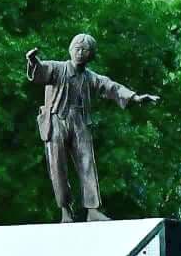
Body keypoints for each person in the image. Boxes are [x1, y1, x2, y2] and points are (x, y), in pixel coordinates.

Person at [27, 34, 159, 223]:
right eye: (76, 49)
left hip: (80, 122)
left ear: (91, 55)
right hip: (56, 120)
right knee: (57, 167)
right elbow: (41, 71)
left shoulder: (90, 77)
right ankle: (65, 210)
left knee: (88, 163)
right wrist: (32, 61)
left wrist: (135, 98)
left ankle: (93, 210)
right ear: (71, 50)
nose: (80, 53)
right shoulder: (57, 68)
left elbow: (111, 86)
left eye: (85, 50)